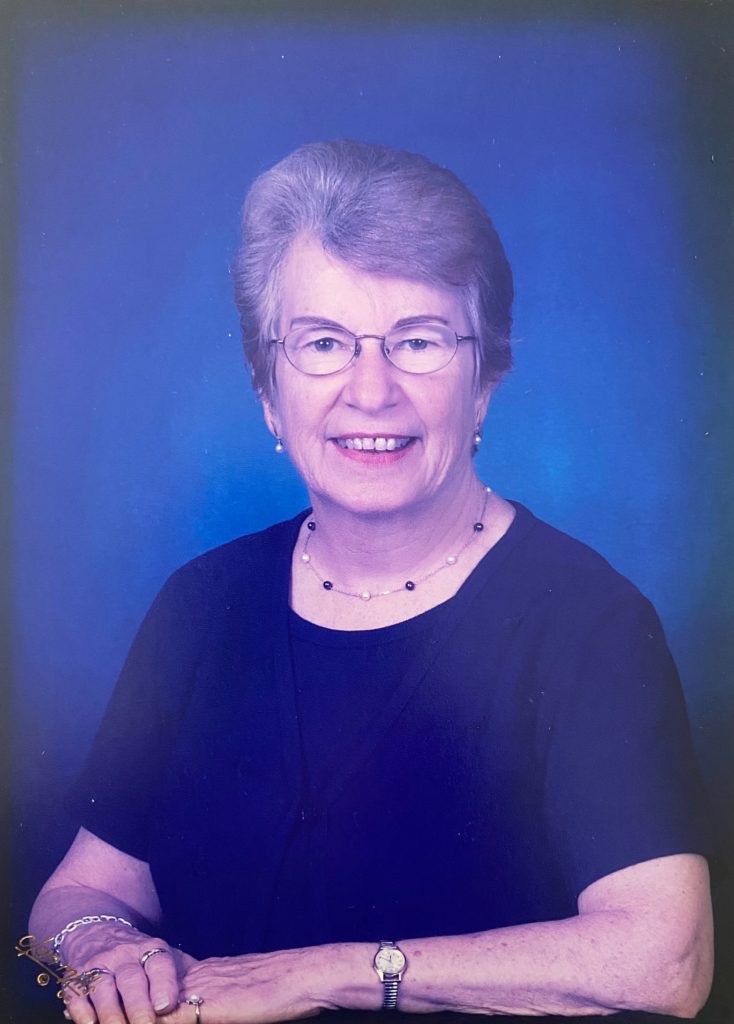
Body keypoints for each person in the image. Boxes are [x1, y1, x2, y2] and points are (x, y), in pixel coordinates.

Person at [29, 140, 713, 1024]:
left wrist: (322, 975)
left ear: (485, 382)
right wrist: (98, 945)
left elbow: (666, 960)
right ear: (268, 391)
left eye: (417, 341)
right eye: (323, 343)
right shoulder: (201, 604)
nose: (371, 390)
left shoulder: (588, 623)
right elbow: (80, 889)